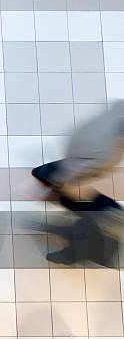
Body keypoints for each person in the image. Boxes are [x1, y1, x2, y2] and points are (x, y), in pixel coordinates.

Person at [31, 101, 124, 265]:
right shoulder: (108, 155)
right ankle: (88, 247)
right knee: (84, 207)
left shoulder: (116, 115)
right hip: (76, 163)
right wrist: (56, 187)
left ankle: (77, 252)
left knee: (88, 214)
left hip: (76, 155)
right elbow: (72, 172)